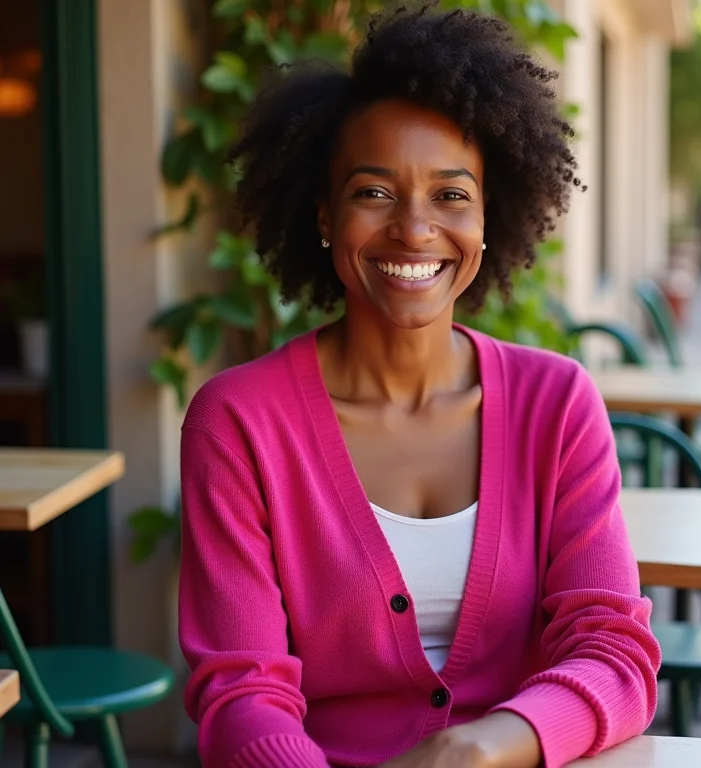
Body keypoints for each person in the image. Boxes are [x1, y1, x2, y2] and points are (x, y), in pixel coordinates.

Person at [178, 3, 661, 767]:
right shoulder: (239, 422)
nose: (413, 227)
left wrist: (480, 747)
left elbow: (614, 655)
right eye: (374, 192)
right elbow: (242, 692)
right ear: (326, 218)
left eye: (451, 194)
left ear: (487, 218)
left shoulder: (557, 405)